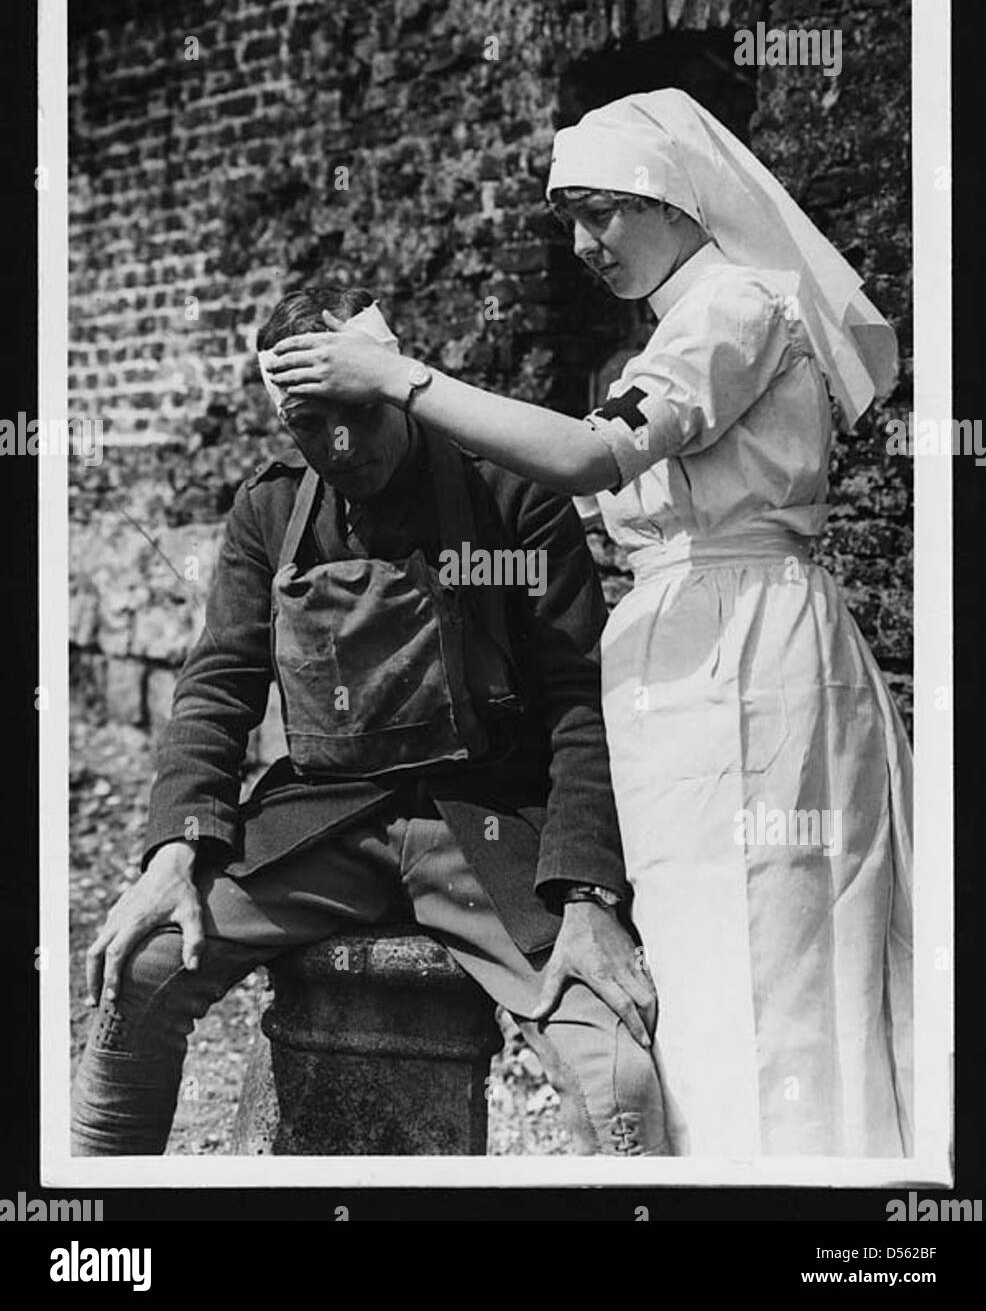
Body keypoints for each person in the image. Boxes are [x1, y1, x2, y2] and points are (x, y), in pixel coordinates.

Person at [263, 89, 914, 1159]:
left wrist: (398, 376)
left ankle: (788, 1178)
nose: (582, 244)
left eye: (603, 211)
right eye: (569, 219)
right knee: (700, 952)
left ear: (676, 199)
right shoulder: (681, 327)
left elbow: (581, 457)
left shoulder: (734, 309)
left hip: (749, 653)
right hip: (690, 656)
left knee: (769, 949)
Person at [72, 284, 671, 1158]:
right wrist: (174, 851)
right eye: (309, 425)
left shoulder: (511, 498)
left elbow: (581, 698)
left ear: (393, 384)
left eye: (356, 410)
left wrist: (587, 893)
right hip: (322, 824)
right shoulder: (270, 513)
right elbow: (218, 685)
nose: (340, 445)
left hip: (492, 833)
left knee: (617, 1073)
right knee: (140, 971)